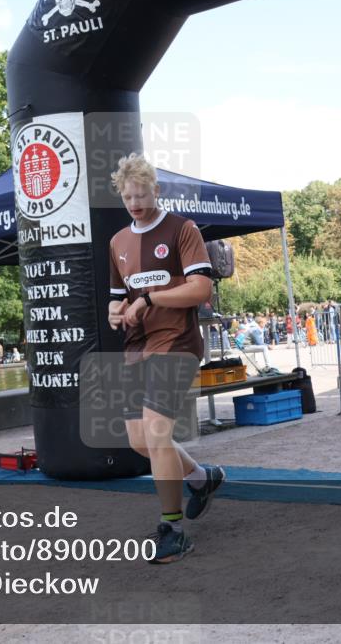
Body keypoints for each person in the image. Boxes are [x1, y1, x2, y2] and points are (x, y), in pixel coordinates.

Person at [106, 153, 222, 565]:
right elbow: (116, 302)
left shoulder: (181, 229)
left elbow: (200, 290)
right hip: (137, 349)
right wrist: (117, 312)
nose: (135, 203)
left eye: (142, 195)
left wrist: (150, 298)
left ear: (156, 190)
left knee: (156, 436)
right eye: (128, 197)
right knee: (140, 442)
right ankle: (202, 478)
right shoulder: (118, 242)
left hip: (177, 344)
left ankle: (172, 531)